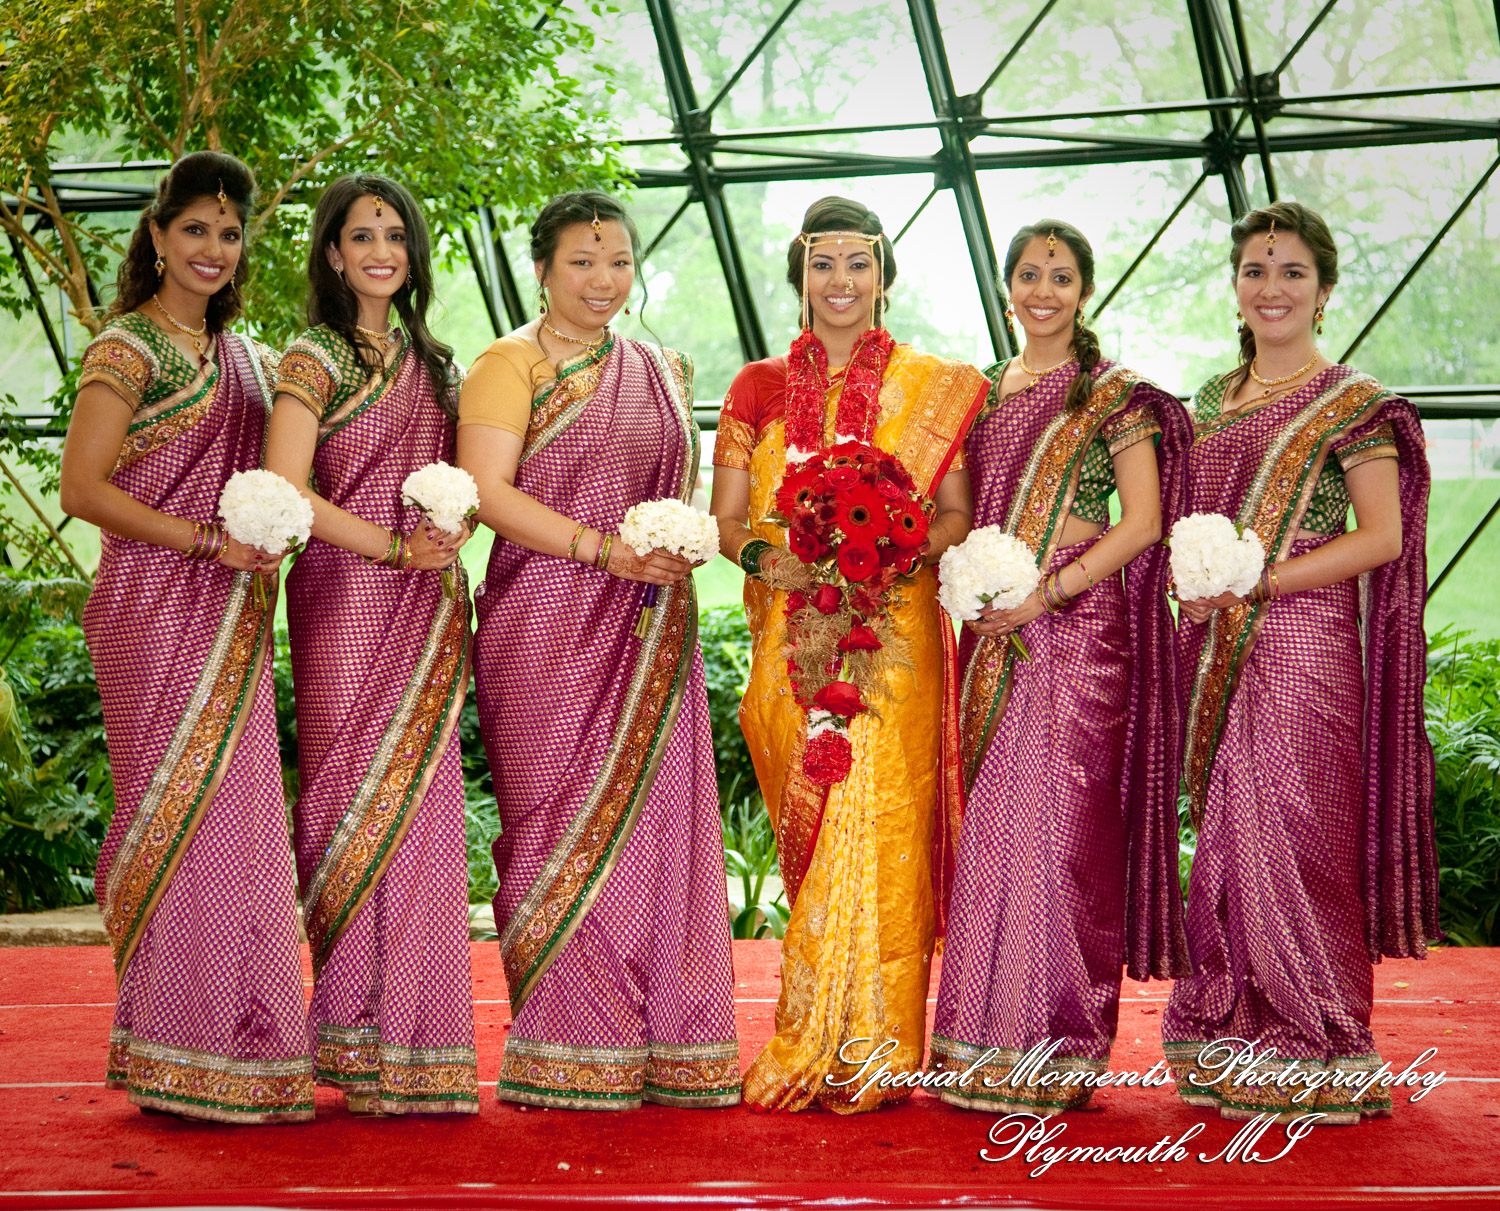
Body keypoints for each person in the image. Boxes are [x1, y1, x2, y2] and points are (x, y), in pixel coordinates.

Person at [456, 190, 740, 1111]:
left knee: (655, 825)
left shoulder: (661, 366)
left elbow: (679, 493)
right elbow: (485, 490)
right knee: (556, 822)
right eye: (581, 261)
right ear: (543, 268)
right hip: (544, 622)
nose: (603, 280)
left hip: (649, 618)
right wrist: (601, 549)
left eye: (618, 261)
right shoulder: (509, 363)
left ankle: (670, 1039)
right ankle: (570, 1042)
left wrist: (671, 548)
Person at [1161, 200, 1438, 1123]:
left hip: (1303, 642)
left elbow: (1381, 535)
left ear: (1323, 292)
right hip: (1218, 640)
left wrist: (1260, 579)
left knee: (1297, 831)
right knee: (1229, 836)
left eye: (1291, 273)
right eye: (1255, 271)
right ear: (1235, 287)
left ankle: (1314, 1036)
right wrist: (1198, 583)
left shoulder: (1352, 403)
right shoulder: (1207, 402)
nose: (1271, 288)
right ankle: (1231, 1021)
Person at [711, 196, 988, 1114]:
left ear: (883, 276)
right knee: (819, 818)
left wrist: (900, 547)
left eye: (857, 263)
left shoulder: (933, 384)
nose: (840, 281)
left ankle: (878, 1047)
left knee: (888, 828)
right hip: (791, 631)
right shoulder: (756, 386)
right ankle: (812, 1025)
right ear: (800, 274)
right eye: (822, 263)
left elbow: (955, 513)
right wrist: (774, 560)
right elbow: (728, 522)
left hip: (895, 635)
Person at [59, 151, 314, 1123]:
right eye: (195, 229)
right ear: (159, 236)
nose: (213, 248)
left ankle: (241, 1042)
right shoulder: (127, 347)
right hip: (152, 607)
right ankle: (176, 1044)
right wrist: (208, 539)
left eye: (229, 232)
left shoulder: (248, 358)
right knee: (175, 810)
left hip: (236, 606)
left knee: (239, 817)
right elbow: (84, 489)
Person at [929, 221, 1191, 1112]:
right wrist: (970, 586)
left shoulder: (1112, 395)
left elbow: (1143, 521)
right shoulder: (979, 394)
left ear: (1085, 291)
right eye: (1030, 274)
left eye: (1062, 276)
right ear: (1008, 287)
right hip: (993, 626)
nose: (1044, 290)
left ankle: (1057, 1043)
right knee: (995, 832)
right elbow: (963, 510)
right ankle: (979, 1041)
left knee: (1066, 834)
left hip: (1078, 629)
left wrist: (1047, 594)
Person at [264, 174, 478, 1115]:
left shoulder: (436, 362)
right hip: (345, 600)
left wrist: (452, 529)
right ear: (332, 253)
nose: (381, 251)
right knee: (349, 803)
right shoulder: (314, 356)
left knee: (422, 808)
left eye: (395, 234)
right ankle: (352, 1036)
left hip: (428, 598)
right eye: (362, 236)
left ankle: (420, 1046)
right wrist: (393, 546)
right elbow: (286, 487)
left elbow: (467, 477)